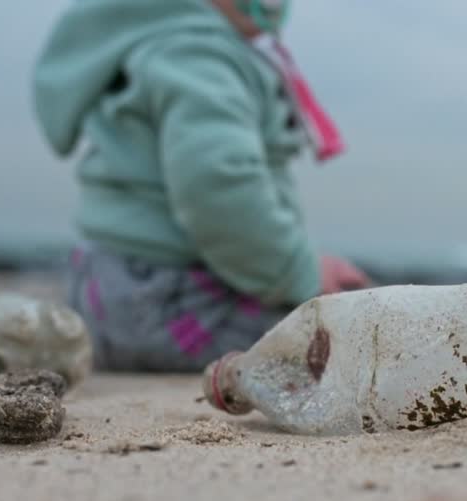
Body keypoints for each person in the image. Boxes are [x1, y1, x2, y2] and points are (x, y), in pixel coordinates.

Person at [32, 0, 370, 373]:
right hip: (168, 300)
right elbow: (219, 188)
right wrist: (300, 271)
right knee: (342, 336)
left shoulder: (168, 42)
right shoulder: (201, 56)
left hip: (108, 295)